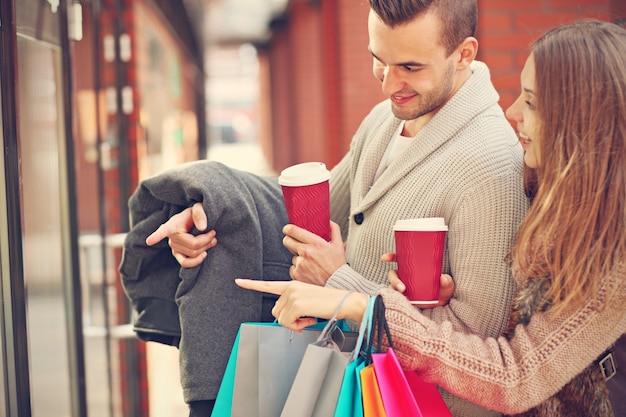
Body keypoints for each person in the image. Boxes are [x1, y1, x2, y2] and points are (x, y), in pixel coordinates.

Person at [146, 1, 529, 416]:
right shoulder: (386, 119)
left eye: (410, 68)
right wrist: (211, 211)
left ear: (464, 55)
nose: (388, 84)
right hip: (352, 391)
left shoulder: (492, 165)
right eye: (378, 60)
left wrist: (337, 281)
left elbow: (478, 349)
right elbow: (306, 208)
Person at [236, 19, 626, 417]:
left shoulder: (613, 258)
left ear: (582, 123)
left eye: (531, 102)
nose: (512, 112)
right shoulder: (551, 187)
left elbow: (514, 378)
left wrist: (365, 306)